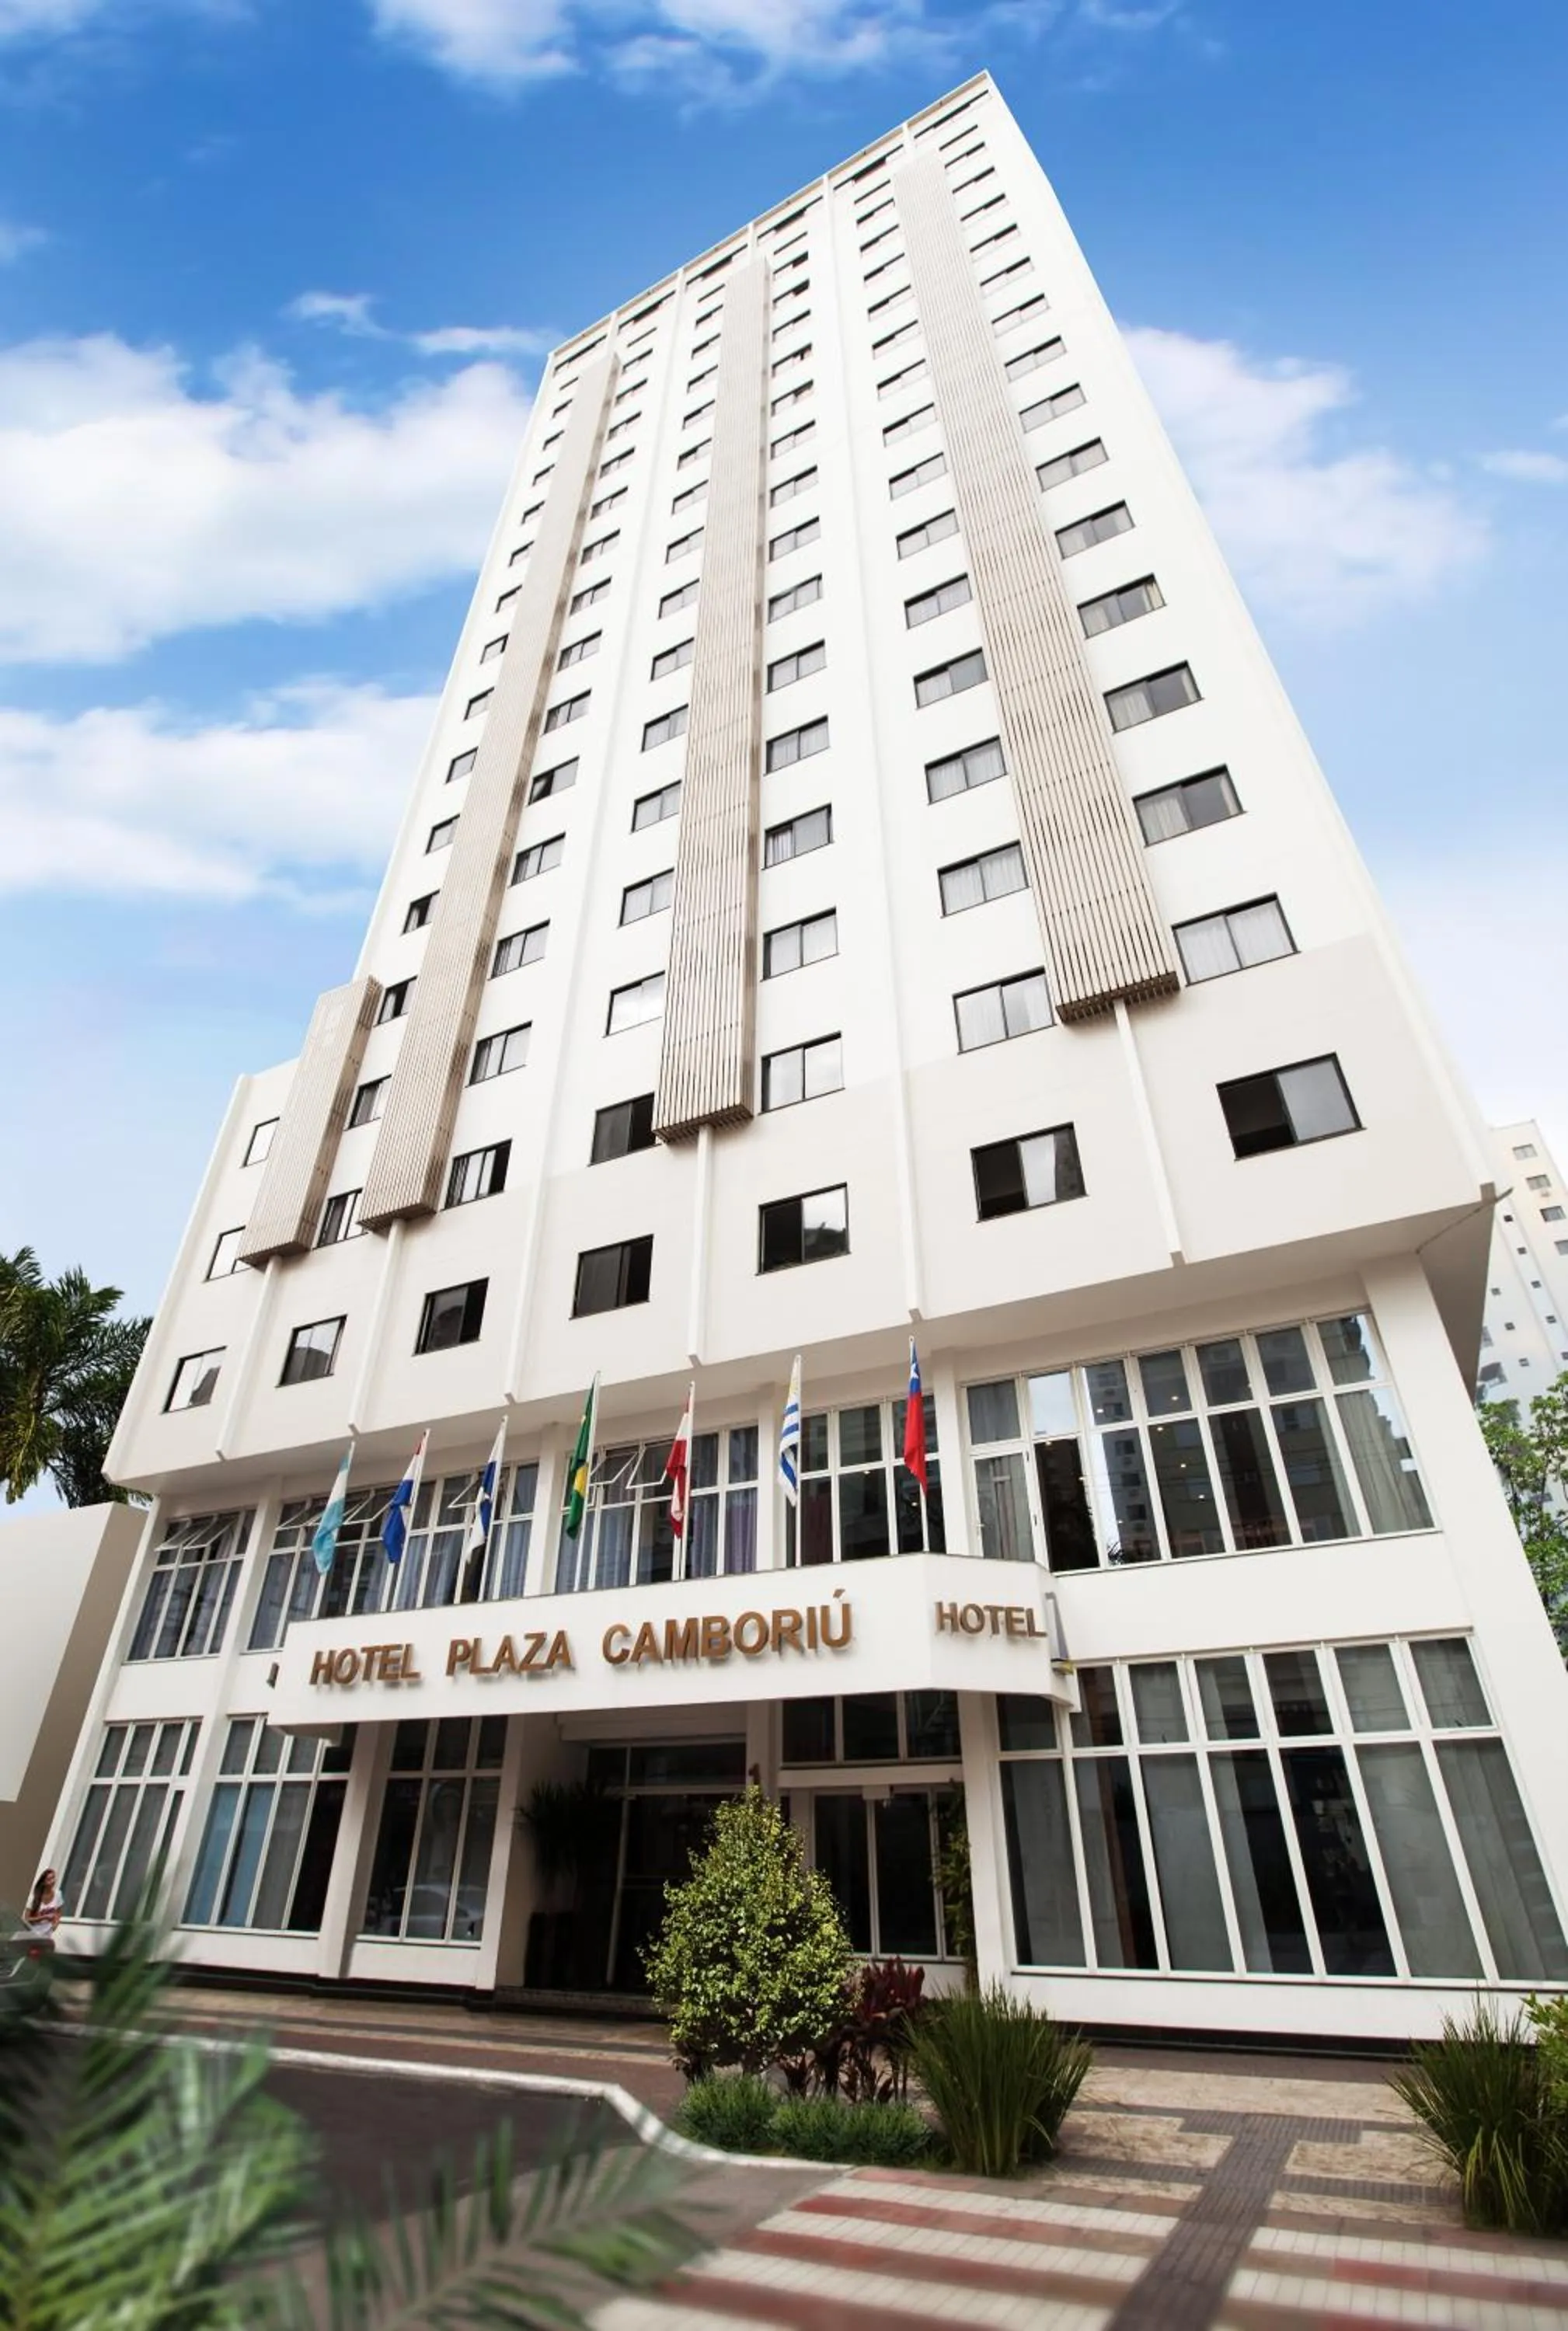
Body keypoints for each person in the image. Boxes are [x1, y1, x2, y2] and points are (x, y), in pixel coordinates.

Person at [21, 1869, 63, 1944]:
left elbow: (59, 1912)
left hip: (47, 1935)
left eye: (53, 1878)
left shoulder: (58, 1894)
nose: (53, 1881)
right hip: (32, 1934)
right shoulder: (34, 1898)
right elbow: (26, 1919)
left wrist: (56, 1924)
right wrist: (44, 1917)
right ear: (43, 1882)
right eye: (49, 1879)